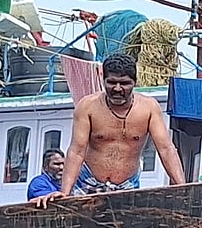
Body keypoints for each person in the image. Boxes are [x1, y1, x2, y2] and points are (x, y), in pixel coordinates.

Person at [33, 53, 185, 206]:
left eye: (124, 83)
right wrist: (65, 192)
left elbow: (166, 149)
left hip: (127, 185)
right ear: (103, 80)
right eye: (111, 82)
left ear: (135, 82)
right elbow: (76, 151)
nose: (117, 89)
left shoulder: (149, 108)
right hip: (87, 182)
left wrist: (182, 188)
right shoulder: (87, 106)